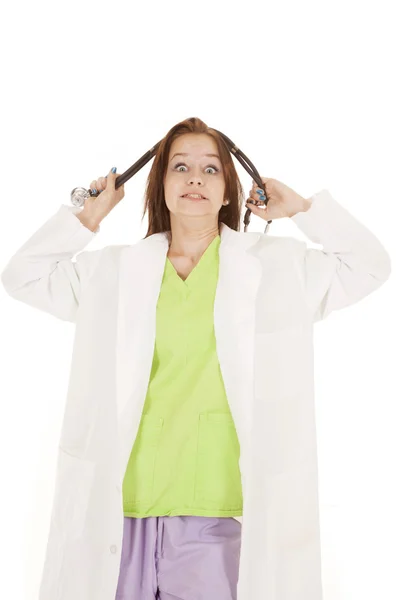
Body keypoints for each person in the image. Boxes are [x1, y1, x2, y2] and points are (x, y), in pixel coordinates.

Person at [1, 117, 391, 600]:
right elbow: (23, 276)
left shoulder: (276, 269)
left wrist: (304, 210)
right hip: (121, 512)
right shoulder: (115, 272)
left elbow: (370, 265)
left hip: (218, 514)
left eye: (210, 170)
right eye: (180, 167)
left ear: (229, 189)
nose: (194, 179)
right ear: (160, 184)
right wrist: (88, 214)